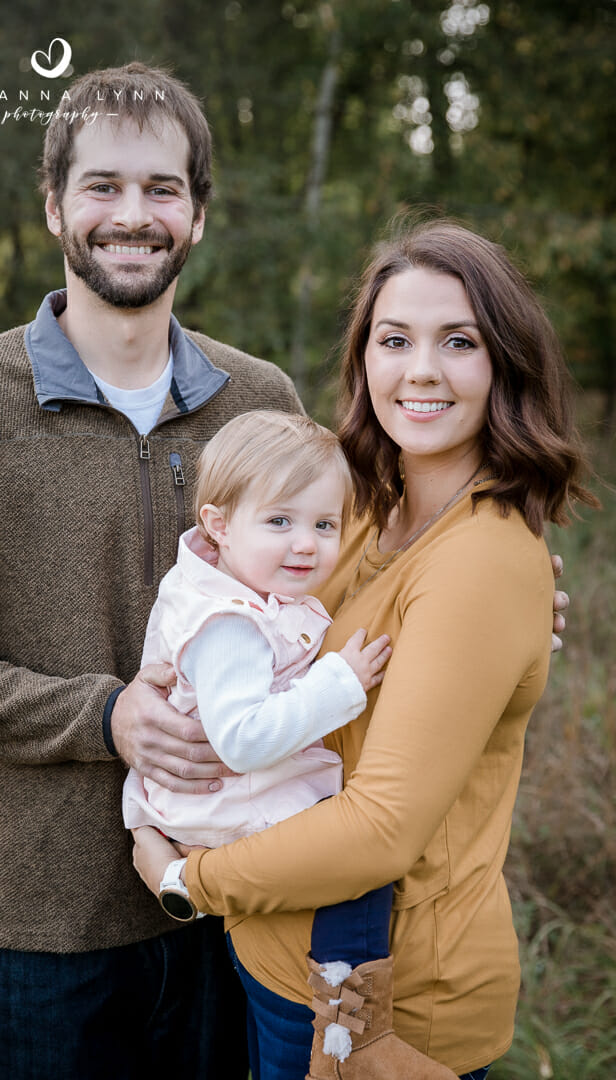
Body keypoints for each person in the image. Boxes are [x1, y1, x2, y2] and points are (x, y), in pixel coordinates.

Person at [0, 61, 304, 1079]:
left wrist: (502, 601)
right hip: (39, 931)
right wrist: (105, 716)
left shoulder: (261, 400)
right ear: (54, 205)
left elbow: (333, 582)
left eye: (162, 188)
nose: (132, 215)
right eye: (103, 187)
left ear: (197, 214)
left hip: (239, 898)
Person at [130, 220, 597, 1080]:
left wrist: (188, 881)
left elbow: (381, 831)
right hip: (282, 963)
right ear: (364, 359)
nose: (421, 370)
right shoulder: (357, 510)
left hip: (377, 1008)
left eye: (459, 341)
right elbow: (233, 599)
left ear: (505, 363)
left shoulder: (484, 558)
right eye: (395, 339)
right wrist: (142, 697)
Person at [123, 410, 393, 847]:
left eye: (324, 525)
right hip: (237, 813)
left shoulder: (232, 587)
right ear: (220, 526)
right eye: (279, 521)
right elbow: (244, 740)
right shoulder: (230, 625)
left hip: (235, 804)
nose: (306, 543)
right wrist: (340, 682)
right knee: (363, 857)